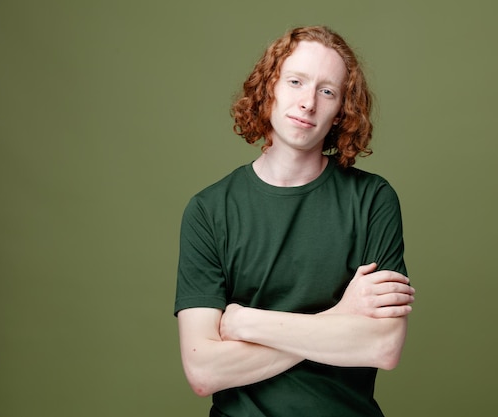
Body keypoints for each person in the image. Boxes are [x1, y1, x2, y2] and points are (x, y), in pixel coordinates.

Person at [174, 25, 415, 417]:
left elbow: (383, 347)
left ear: (341, 111)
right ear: (269, 87)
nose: (308, 103)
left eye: (327, 91)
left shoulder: (372, 200)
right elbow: (203, 370)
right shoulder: (209, 210)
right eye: (296, 81)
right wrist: (339, 318)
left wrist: (245, 323)